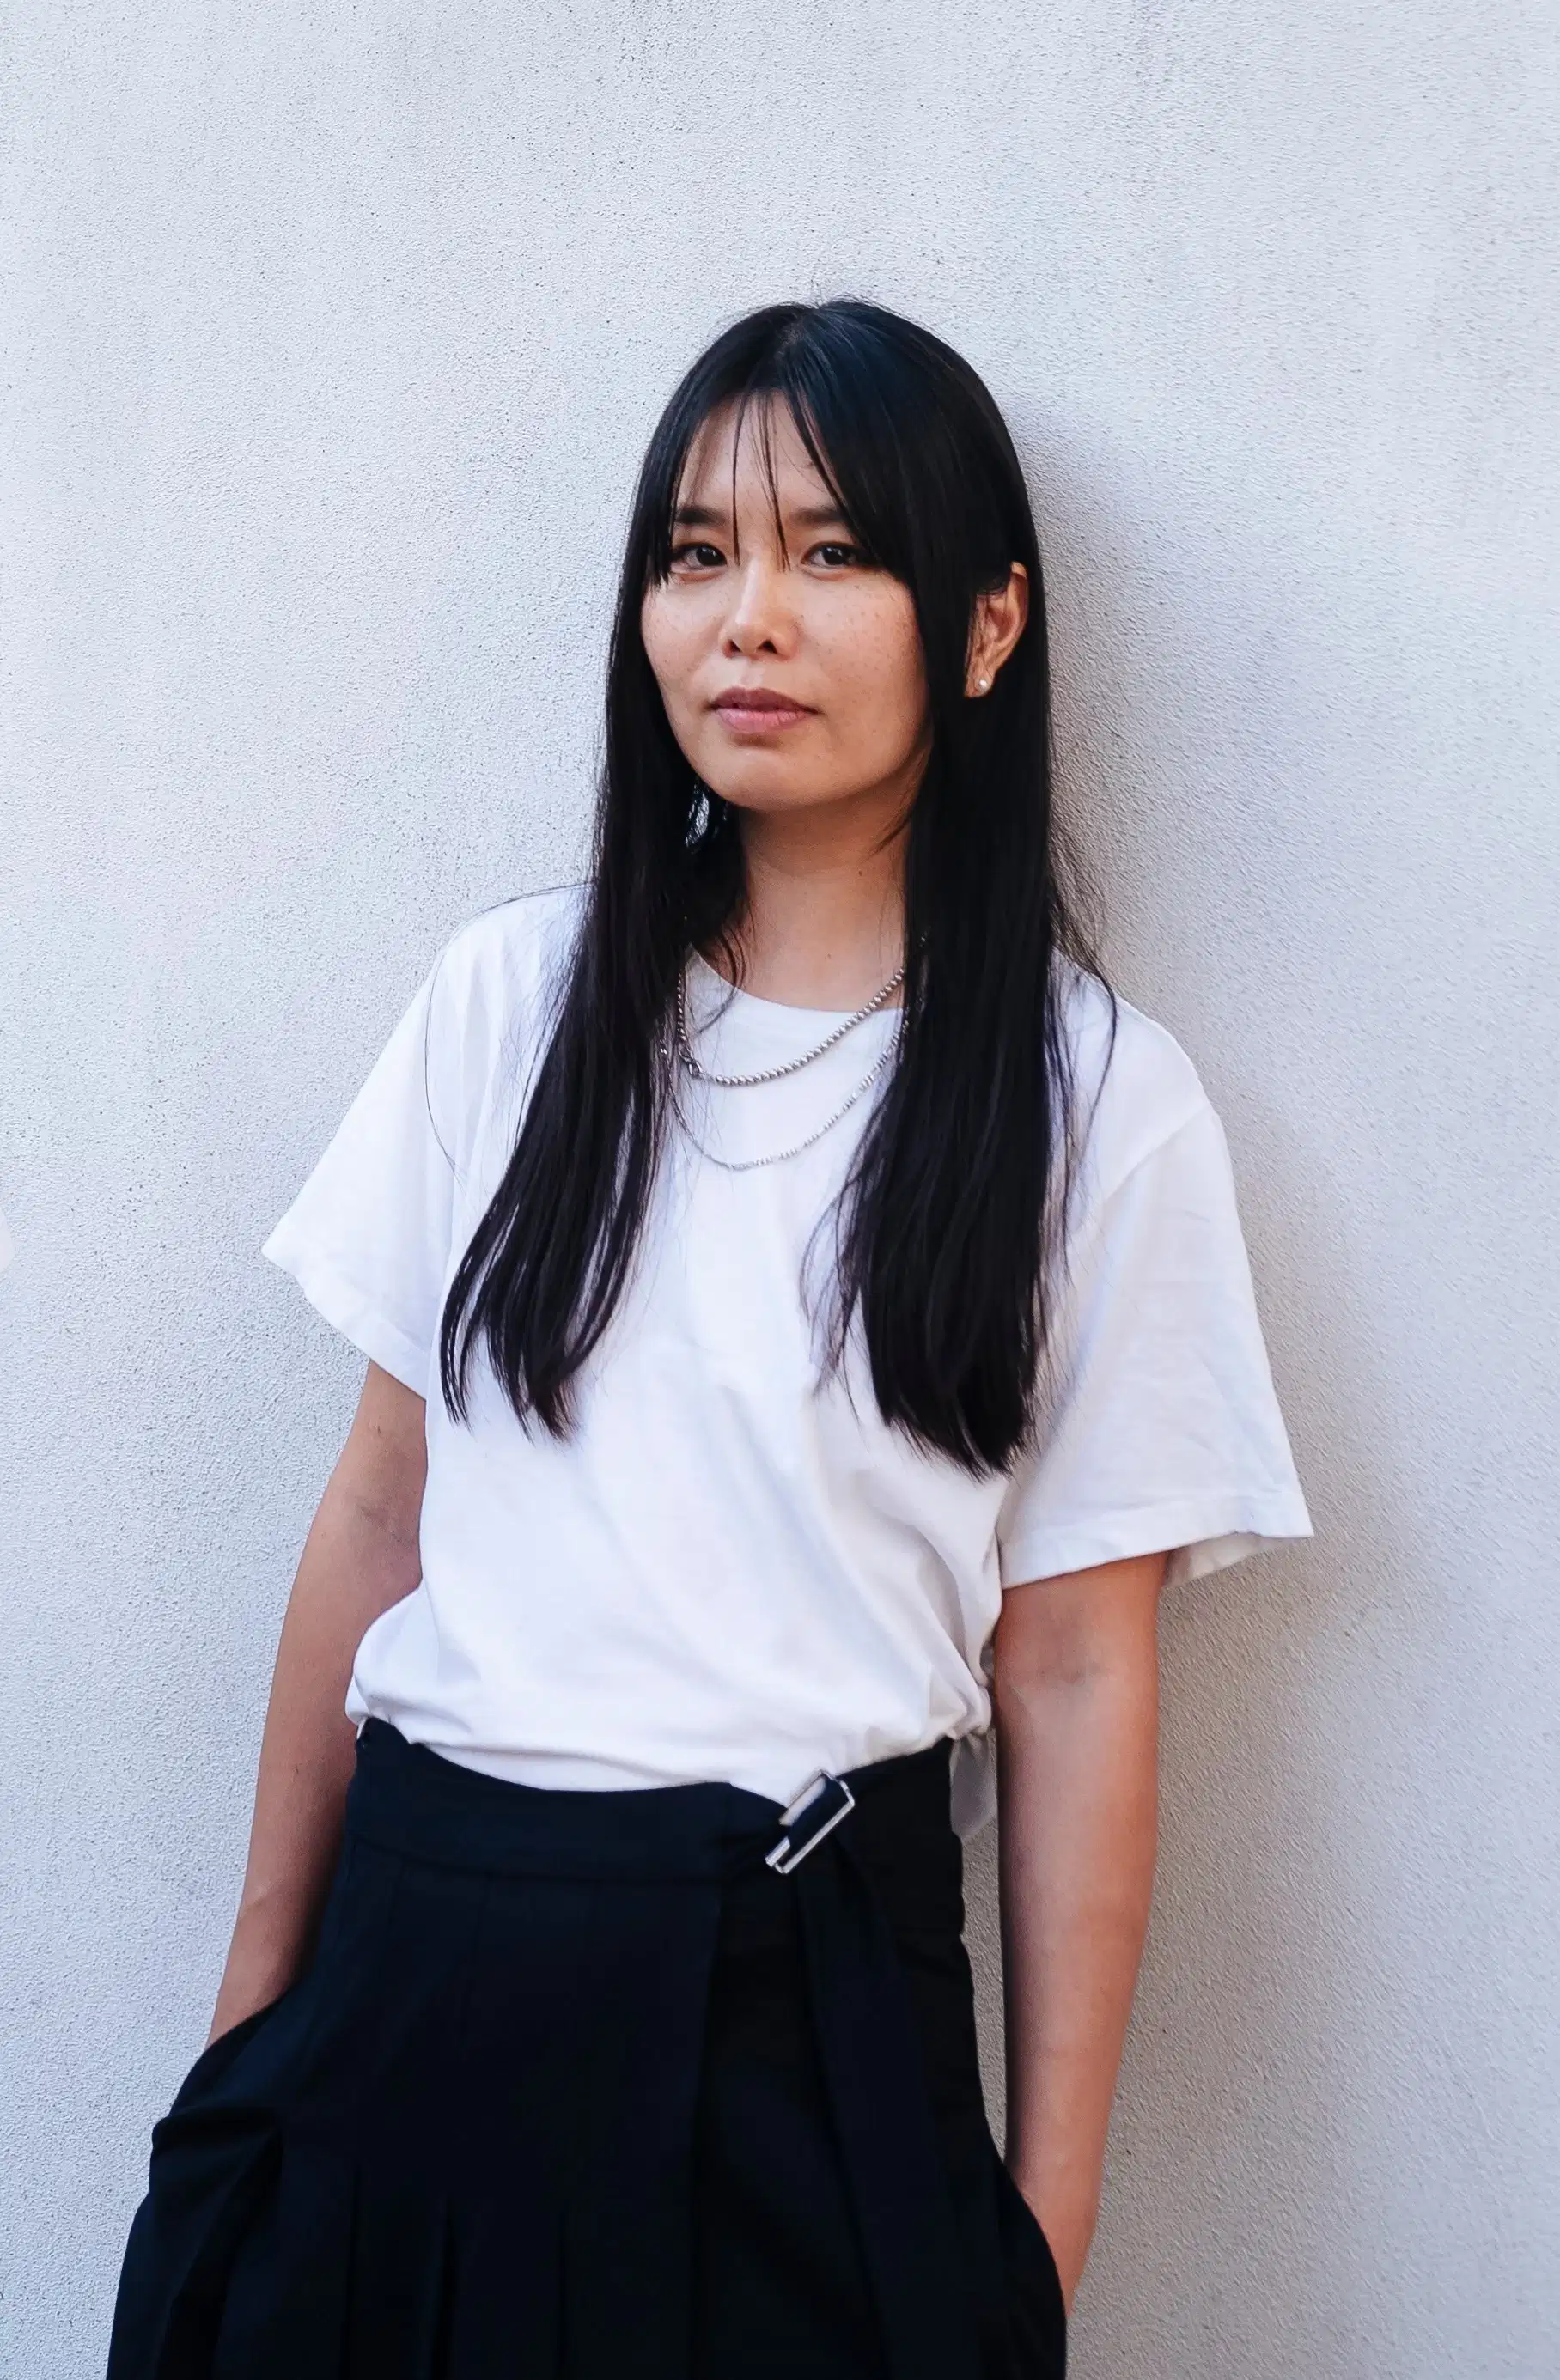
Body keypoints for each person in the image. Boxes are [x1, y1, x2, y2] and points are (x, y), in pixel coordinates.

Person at [105, 299, 1311, 2380]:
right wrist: (247, 2026)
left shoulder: (1093, 1101)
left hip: (800, 2014)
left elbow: (1075, 1666)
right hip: (414, 1981)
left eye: (831, 552)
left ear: (987, 622)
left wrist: (1039, 2233)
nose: (747, 615)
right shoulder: (511, 1004)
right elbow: (380, 1508)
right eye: (695, 552)